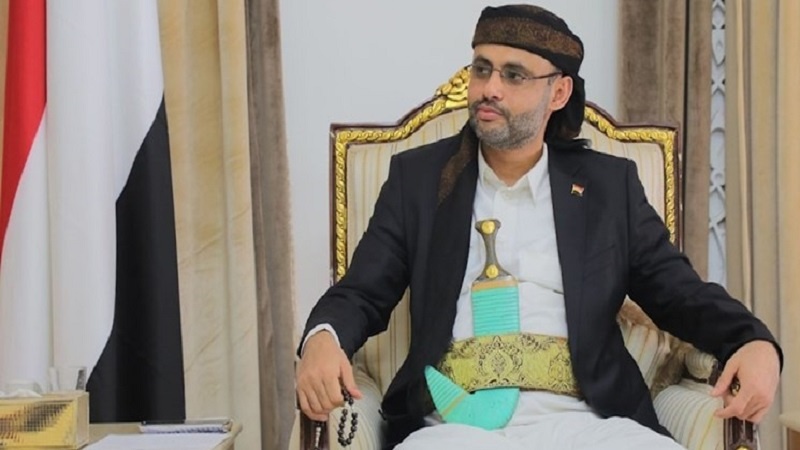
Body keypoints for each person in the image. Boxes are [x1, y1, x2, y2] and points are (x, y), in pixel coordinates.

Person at [296, 4, 782, 449]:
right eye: (482, 69)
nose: (490, 88)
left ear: (559, 92)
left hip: (589, 423)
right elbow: (363, 291)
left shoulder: (609, 188)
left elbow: (680, 293)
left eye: (514, 75)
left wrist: (752, 340)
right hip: (455, 427)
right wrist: (323, 336)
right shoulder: (419, 180)